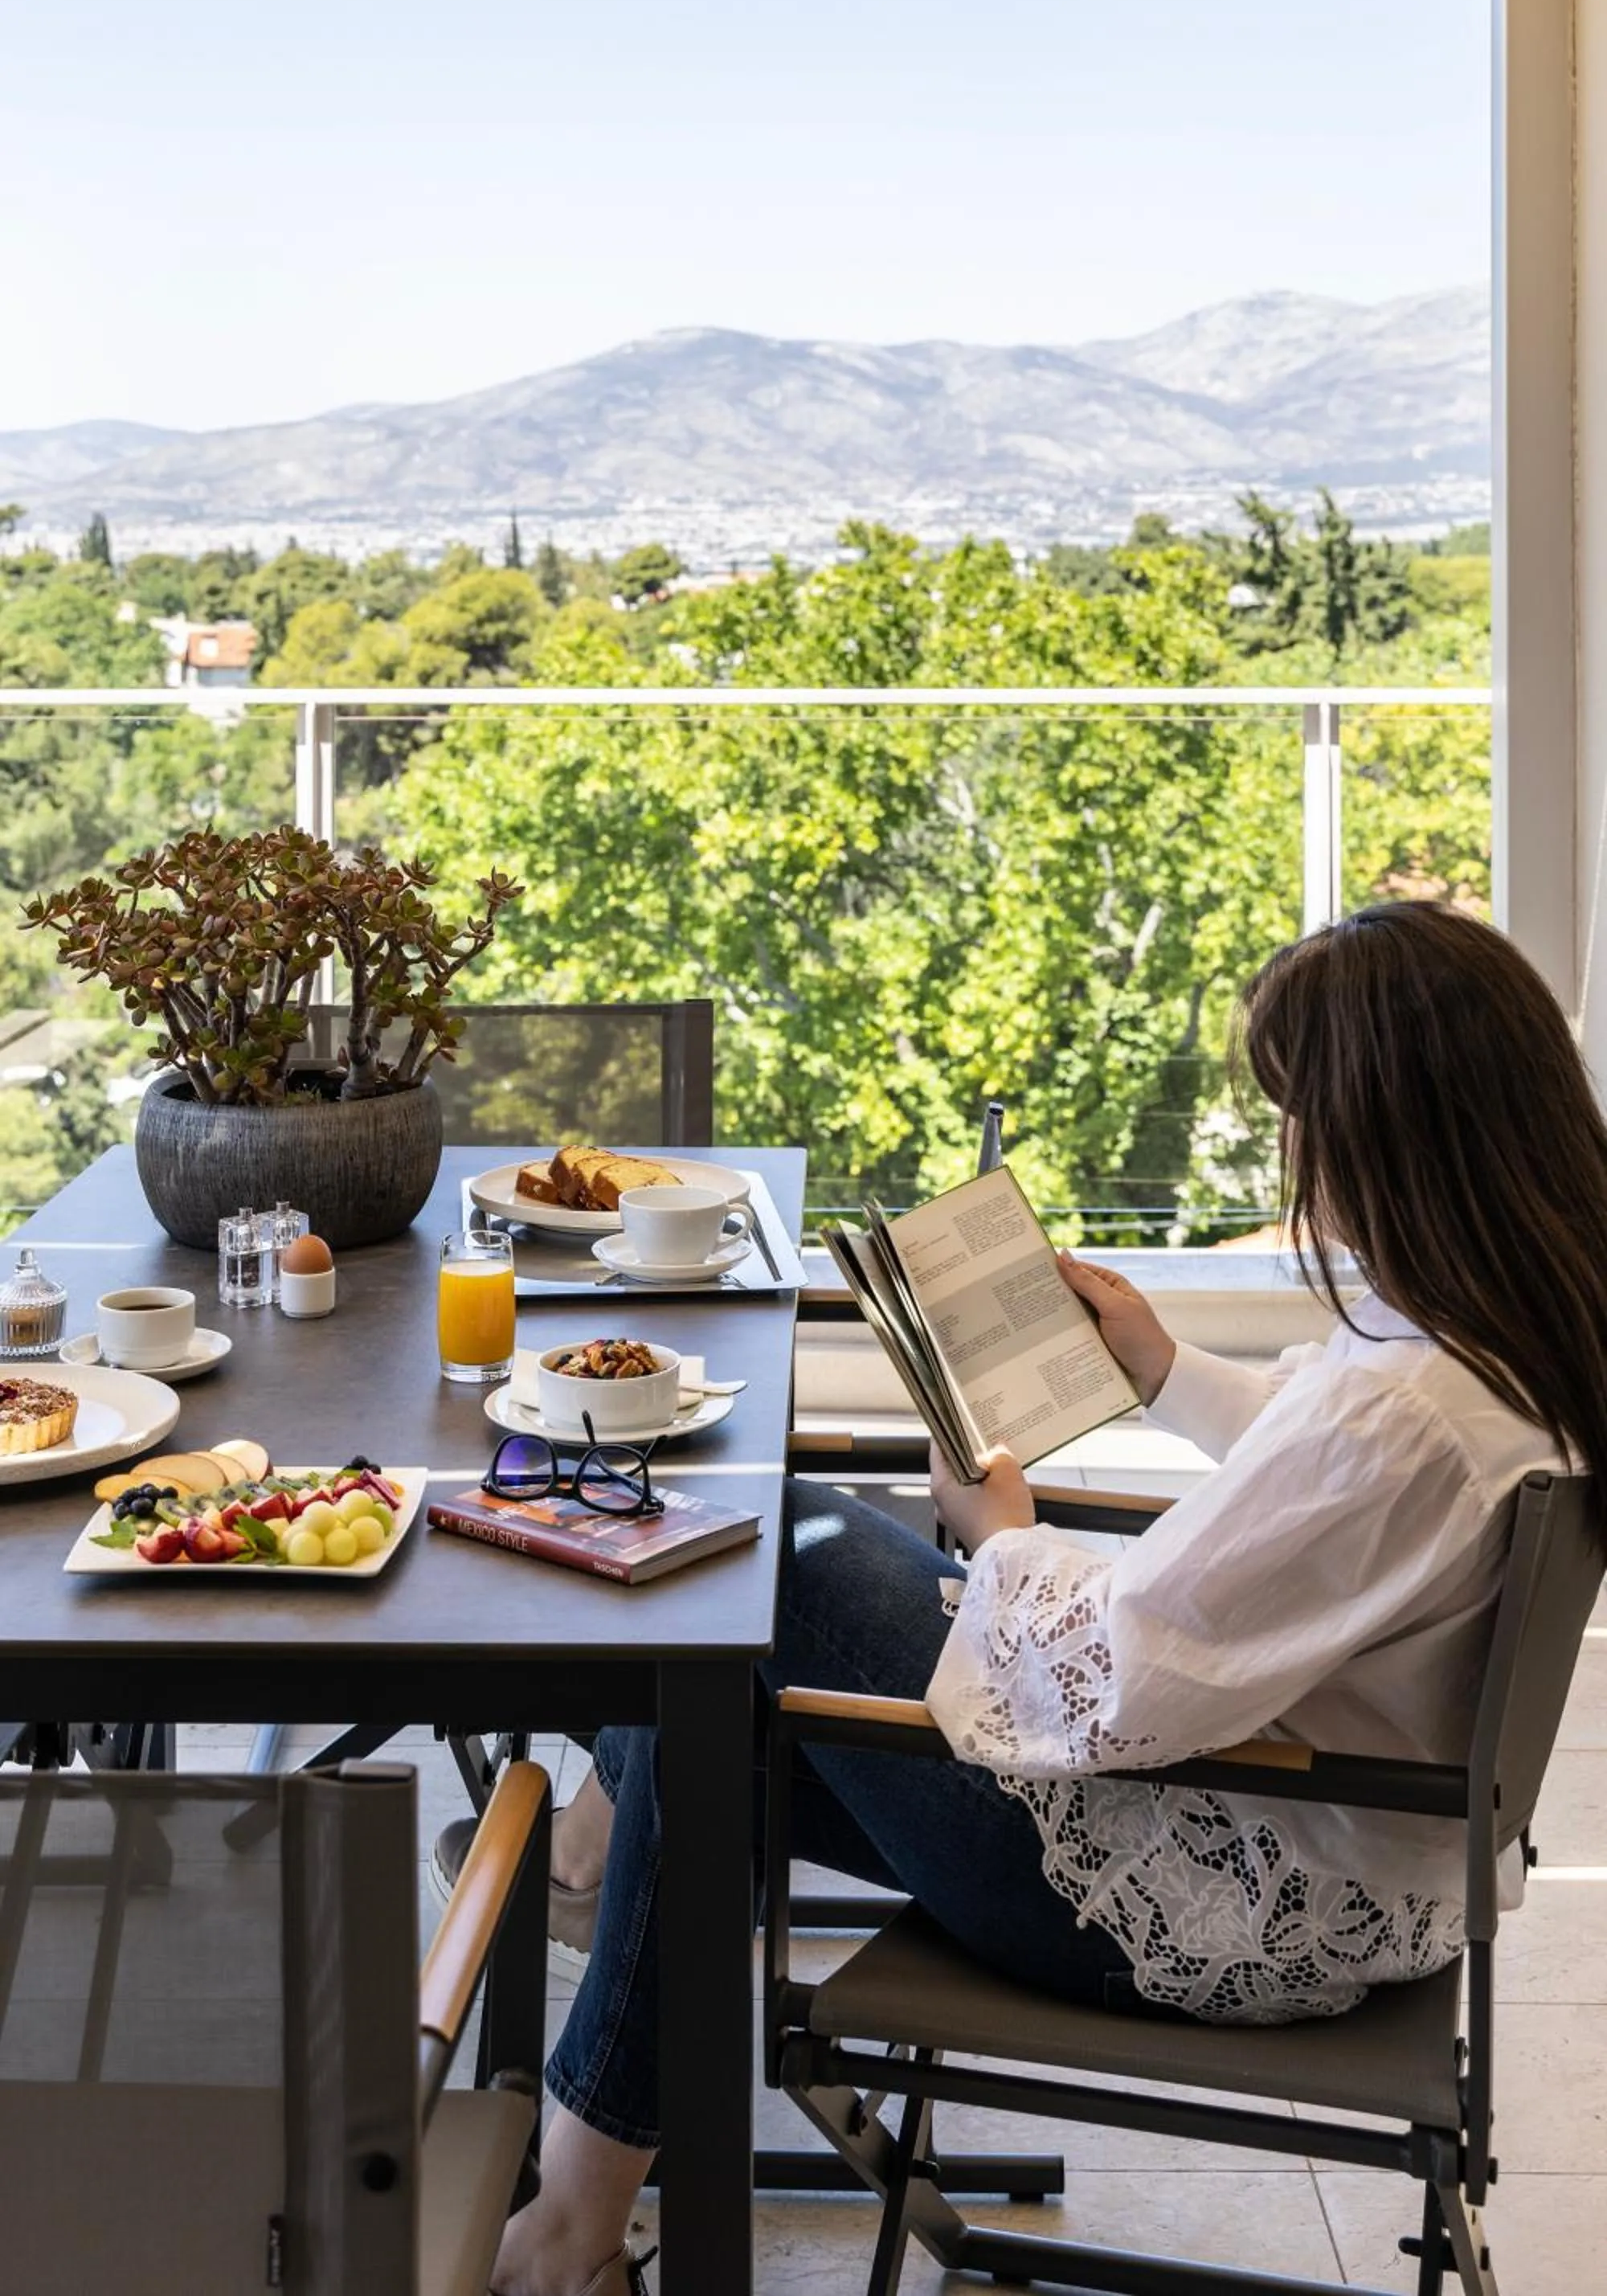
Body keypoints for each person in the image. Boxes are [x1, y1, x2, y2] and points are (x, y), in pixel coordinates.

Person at [486, 902, 1607, 2296]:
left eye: (1300, 1115)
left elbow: (1132, 1680)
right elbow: (1321, 1498)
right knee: (710, 1734)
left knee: (777, 1552)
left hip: (1201, 1903)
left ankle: (586, 1884)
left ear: (1389, 1129)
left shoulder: (1403, 1416)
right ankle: (570, 2221)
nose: (1296, 1151)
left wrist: (1003, 1542)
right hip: (1357, 1871)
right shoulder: (1501, 1338)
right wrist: (1161, 1369)